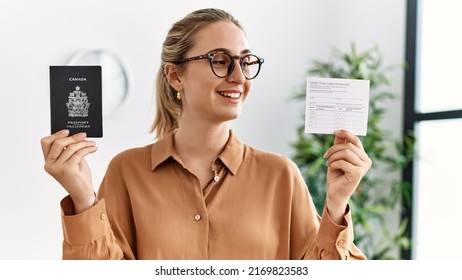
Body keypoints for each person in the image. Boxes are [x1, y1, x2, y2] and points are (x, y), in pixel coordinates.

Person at [40, 8, 372, 260]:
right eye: (220, 60)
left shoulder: (280, 176)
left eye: (246, 61)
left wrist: (336, 205)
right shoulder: (127, 171)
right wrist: (83, 198)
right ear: (175, 76)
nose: (239, 76)